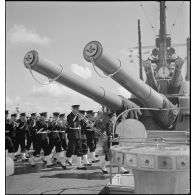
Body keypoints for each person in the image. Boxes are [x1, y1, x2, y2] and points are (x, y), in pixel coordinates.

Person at [65, 105, 86, 170]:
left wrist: (82, 119)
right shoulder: (69, 116)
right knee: (71, 149)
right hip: (72, 134)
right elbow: (71, 124)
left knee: (79, 149)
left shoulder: (78, 116)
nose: (78, 110)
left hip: (78, 133)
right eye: (76, 109)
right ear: (73, 109)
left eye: (78, 109)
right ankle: (66, 160)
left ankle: (79, 165)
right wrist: (78, 118)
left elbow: (82, 125)